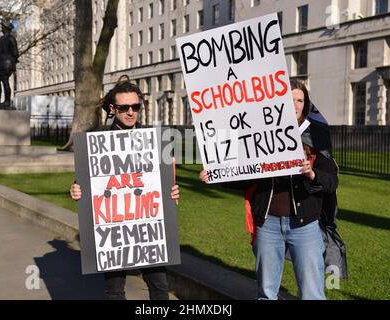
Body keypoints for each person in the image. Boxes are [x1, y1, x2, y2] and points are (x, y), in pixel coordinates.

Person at [200, 80, 338, 300]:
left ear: (306, 104)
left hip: (305, 224)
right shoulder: (260, 131)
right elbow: (247, 176)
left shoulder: (316, 134)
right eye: (289, 99)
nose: (294, 104)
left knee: (312, 293)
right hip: (268, 223)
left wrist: (312, 175)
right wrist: (216, 176)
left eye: (300, 100)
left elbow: (331, 181)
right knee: (266, 293)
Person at [70, 77, 180, 300]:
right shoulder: (97, 142)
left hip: (149, 230)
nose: (131, 112)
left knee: (159, 286)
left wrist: (172, 193)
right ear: (113, 108)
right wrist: (76, 190)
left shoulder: (154, 141)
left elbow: (165, 184)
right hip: (114, 233)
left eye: (136, 107)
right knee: (114, 290)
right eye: (124, 107)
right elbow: (84, 183)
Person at [0, 18, 19, 109]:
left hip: (8, 64)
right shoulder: (2, 38)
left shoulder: (11, 38)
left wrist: (11, 61)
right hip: (1, 63)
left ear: (6, 27)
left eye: (2, 26)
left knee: (4, 81)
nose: (1, 28)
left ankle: (7, 102)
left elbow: (15, 52)